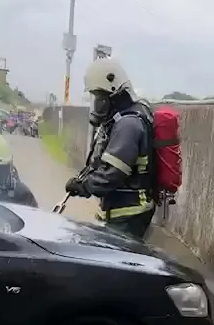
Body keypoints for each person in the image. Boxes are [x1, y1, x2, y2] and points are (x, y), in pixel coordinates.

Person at [64, 58, 156, 239]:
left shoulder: (128, 125)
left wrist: (83, 186)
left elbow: (112, 174)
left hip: (128, 215)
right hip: (122, 214)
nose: (97, 104)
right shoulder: (122, 120)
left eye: (100, 98)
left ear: (113, 96)